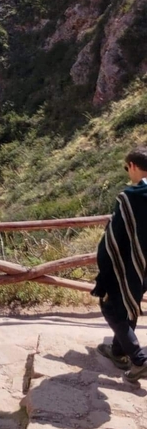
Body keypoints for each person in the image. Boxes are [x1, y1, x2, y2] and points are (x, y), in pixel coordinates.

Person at [92, 147, 147, 383]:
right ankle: (118, 351)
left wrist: (104, 267)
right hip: (145, 265)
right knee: (130, 300)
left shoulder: (130, 197)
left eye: (127, 168)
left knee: (111, 306)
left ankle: (139, 359)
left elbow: (115, 237)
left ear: (133, 166)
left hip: (130, 264)